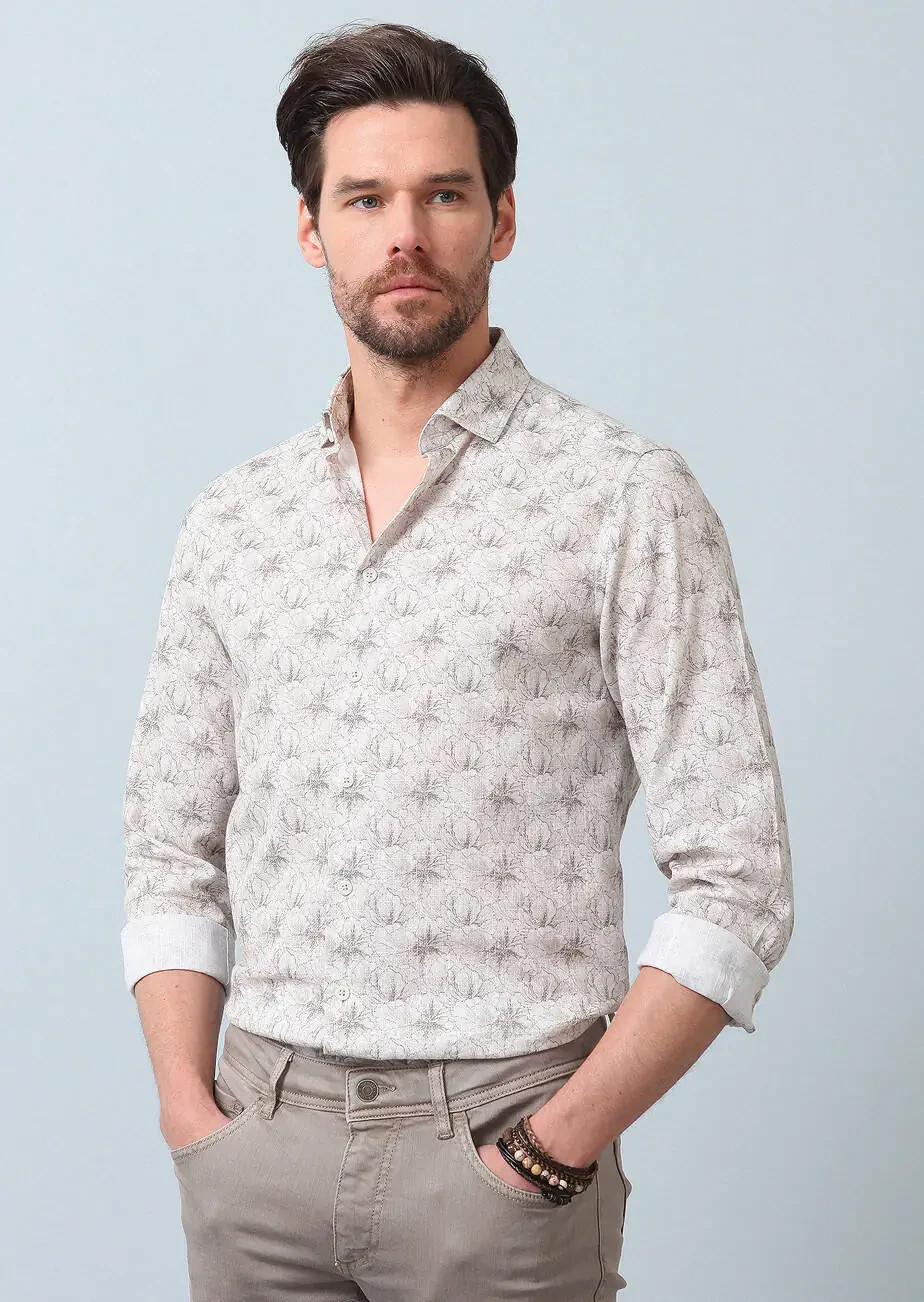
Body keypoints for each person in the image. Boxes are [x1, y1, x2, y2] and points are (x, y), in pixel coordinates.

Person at [120, 20, 794, 1301]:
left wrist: (553, 1145)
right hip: (257, 1136)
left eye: (443, 195)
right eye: (364, 198)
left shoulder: (623, 496)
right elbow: (168, 843)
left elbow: (740, 878)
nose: (406, 236)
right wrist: (189, 1117)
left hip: (505, 1142)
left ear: (503, 219)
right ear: (311, 229)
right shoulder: (235, 519)